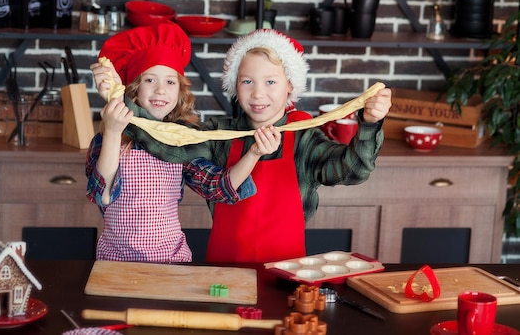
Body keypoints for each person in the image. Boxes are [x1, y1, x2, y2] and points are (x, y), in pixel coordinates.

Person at [108, 28, 392, 263]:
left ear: (290, 86)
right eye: (247, 81)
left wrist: (369, 122)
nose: (258, 94)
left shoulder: (305, 140)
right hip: (223, 272)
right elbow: (167, 140)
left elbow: (353, 171)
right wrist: (119, 96)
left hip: (287, 273)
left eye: (270, 81)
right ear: (235, 86)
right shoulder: (218, 135)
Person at [86, 22, 281, 262]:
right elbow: (102, 194)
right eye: (149, 80)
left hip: (171, 261)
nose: (160, 90)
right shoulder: (108, 138)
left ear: (180, 91)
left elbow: (216, 187)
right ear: (133, 89)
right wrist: (114, 133)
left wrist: (254, 153)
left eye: (170, 82)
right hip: (115, 262)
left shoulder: (181, 140)